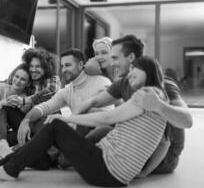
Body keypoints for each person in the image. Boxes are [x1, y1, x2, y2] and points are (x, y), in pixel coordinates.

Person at [0, 56, 168, 187]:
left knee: (56, 126)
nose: (131, 73)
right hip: (107, 164)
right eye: (131, 69)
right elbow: (48, 105)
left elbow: (108, 117)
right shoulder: (155, 97)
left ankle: (9, 168)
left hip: (108, 171)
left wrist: (67, 118)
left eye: (136, 69)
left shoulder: (147, 95)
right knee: (53, 130)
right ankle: (5, 162)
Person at [75, 35, 193, 176]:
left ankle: (70, 157)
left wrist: (159, 105)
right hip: (141, 144)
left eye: (115, 58)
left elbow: (187, 121)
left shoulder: (162, 85)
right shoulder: (124, 82)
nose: (112, 63)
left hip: (164, 155)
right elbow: (93, 102)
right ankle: (68, 155)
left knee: (102, 130)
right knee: (95, 119)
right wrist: (71, 119)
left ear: (130, 57)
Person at [0, 48, 61, 157]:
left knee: (6, 136)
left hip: (43, 124)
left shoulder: (52, 79)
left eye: (37, 66)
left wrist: (25, 100)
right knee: (6, 108)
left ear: (46, 67)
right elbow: (3, 83)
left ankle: (19, 145)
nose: (33, 69)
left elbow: (52, 91)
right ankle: (2, 146)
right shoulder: (28, 81)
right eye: (31, 66)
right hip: (26, 123)